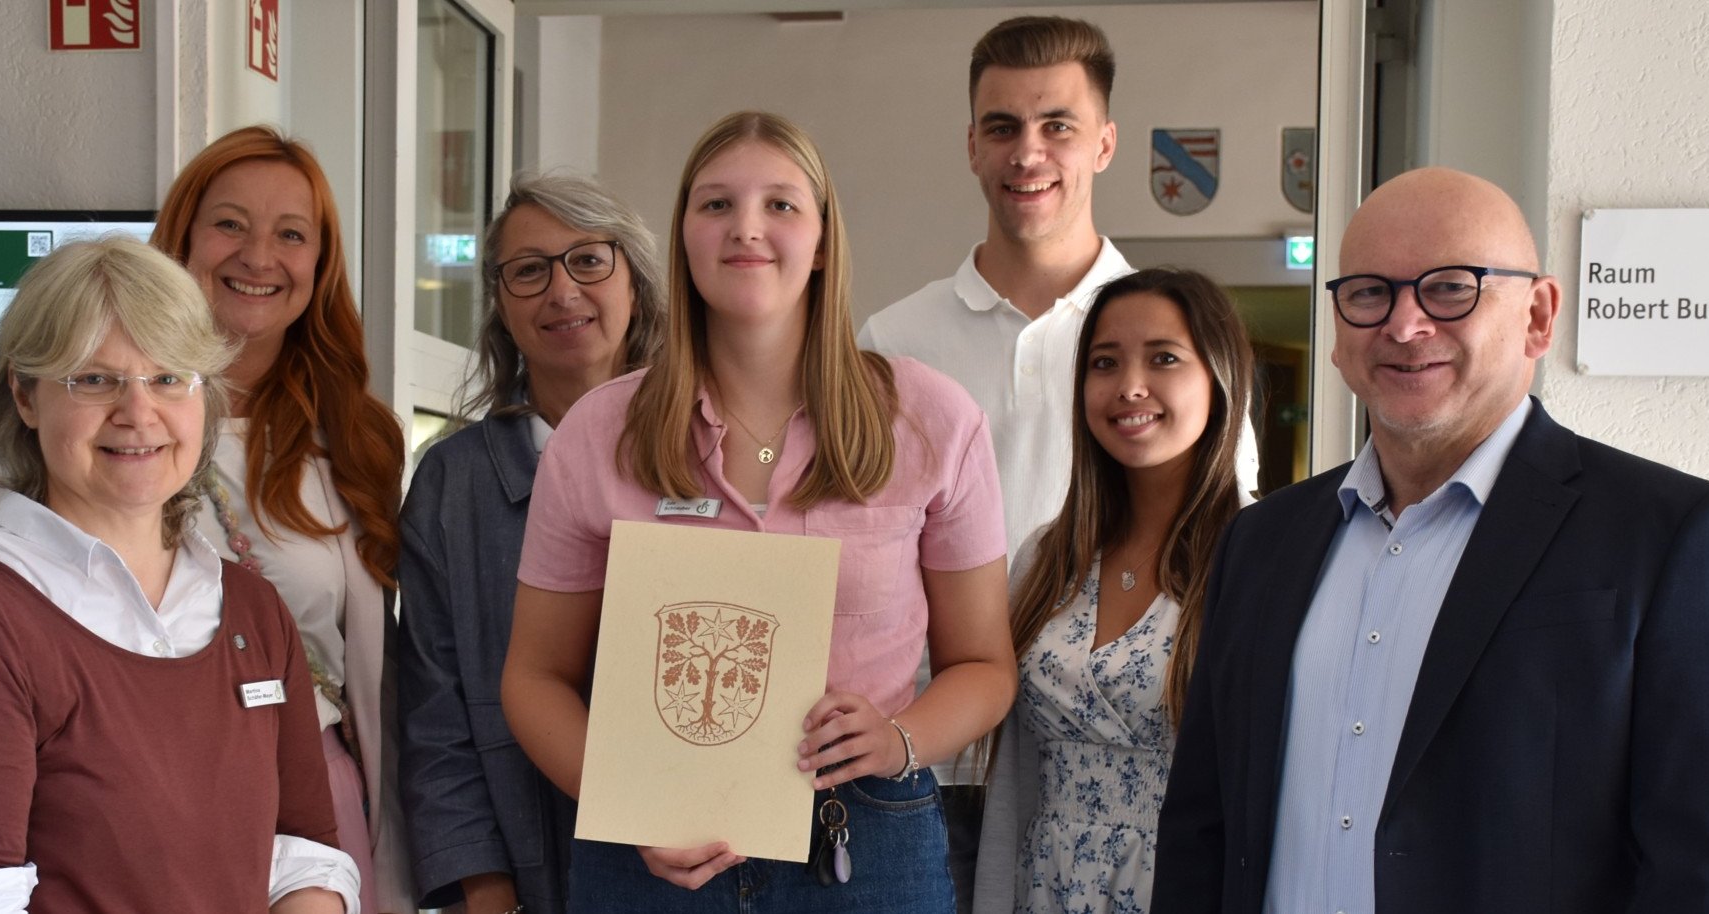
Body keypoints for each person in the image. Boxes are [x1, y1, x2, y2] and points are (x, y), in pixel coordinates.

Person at [1151, 167, 1709, 913]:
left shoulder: (1671, 537)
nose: (1404, 323)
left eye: (1451, 288)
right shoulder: (1260, 543)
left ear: (1539, 316)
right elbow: (1203, 830)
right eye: (1368, 292)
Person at [501, 110, 1016, 911]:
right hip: (651, 854)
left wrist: (898, 738)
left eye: (780, 204)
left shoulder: (932, 420)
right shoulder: (596, 435)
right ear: (681, 237)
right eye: (715, 205)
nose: (746, 227)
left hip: (865, 843)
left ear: (821, 240)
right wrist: (625, 802)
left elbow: (985, 668)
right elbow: (534, 679)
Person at [0, 237, 357, 913]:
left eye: (168, 377)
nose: (138, 412)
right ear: (27, 394)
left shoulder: (251, 609)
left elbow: (305, 852)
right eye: (94, 379)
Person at [855, 21, 1133, 895]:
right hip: (924, 766)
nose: (1030, 152)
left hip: (1099, 760)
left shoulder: (1164, 344)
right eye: (1004, 127)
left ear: (1105, 142)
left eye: (1058, 124)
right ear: (971, 145)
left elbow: (1213, 548)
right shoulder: (892, 342)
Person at [151, 125, 413, 914]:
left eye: (291, 234)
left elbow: (379, 669)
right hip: (143, 789)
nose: (259, 256)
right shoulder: (110, 419)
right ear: (183, 240)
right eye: (230, 224)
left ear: (318, 263)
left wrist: (399, 866)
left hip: (311, 795)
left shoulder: (359, 437)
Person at [396, 172, 665, 913]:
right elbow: (434, 712)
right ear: (501, 305)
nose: (562, 290)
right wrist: (482, 889)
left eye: (587, 260)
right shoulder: (453, 484)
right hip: (529, 866)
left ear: (635, 284)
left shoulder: (714, 451)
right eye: (529, 270)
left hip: (704, 863)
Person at [972, 269, 1253, 914]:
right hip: (1043, 889)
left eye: (1163, 358)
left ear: (1219, 376)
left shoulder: (1256, 556)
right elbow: (1016, 779)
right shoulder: (1049, 557)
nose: (1130, 386)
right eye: (1105, 363)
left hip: (1186, 888)